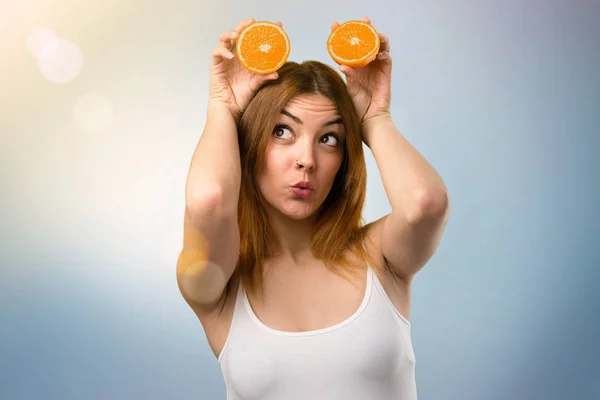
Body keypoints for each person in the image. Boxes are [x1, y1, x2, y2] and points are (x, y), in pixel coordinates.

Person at [176, 17, 450, 400]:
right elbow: (208, 200)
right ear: (251, 142)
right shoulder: (220, 284)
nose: (307, 159)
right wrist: (222, 107)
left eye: (329, 138)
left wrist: (374, 117)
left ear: (344, 158)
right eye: (282, 131)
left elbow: (425, 203)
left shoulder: (379, 256)